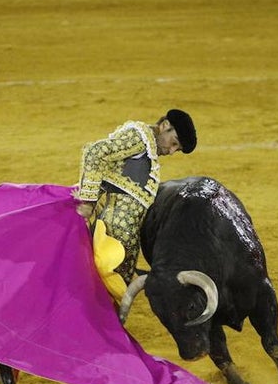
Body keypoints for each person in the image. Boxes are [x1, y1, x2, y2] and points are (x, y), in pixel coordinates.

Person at [74, 109, 197, 299]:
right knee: (98, 291)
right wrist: (88, 201)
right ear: (164, 126)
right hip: (108, 237)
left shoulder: (148, 148)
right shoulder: (139, 137)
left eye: (177, 149)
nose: (171, 152)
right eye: (173, 143)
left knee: (110, 293)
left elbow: (112, 174)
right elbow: (94, 152)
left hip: (119, 240)